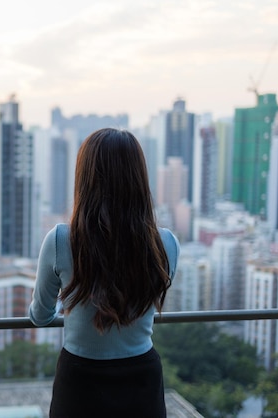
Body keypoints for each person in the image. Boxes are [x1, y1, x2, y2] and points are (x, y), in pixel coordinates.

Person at [29, 128, 180, 418]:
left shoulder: (61, 240)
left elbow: (40, 315)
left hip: (80, 378)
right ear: (139, 177)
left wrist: (69, 304)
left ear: (85, 177)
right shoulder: (167, 243)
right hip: (142, 378)